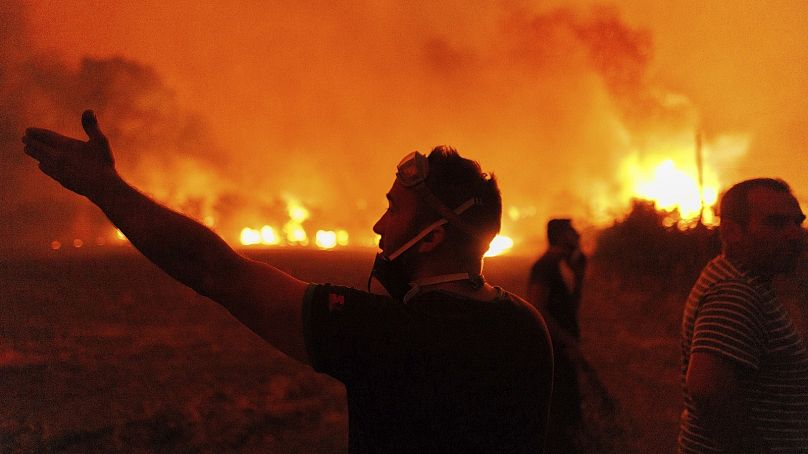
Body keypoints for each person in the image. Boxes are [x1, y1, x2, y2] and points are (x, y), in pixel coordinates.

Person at [22, 111, 554, 453]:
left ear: (432, 237)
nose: (378, 226)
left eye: (394, 210)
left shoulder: (388, 334)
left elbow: (215, 271)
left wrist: (106, 188)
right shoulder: (527, 327)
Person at [679, 178, 808, 453]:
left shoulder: (734, 275)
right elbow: (707, 388)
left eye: (797, 222)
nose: (795, 234)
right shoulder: (735, 292)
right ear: (731, 231)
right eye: (776, 223)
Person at [528, 218, 587, 453]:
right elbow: (537, 308)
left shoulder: (562, 266)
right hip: (553, 351)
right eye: (572, 231)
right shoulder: (545, 266)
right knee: (559, 415)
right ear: (561, 235)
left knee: (569, 411)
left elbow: (571, 309)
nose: (578, 235)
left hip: (563, 349)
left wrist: (580, 276)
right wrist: (567, 340)